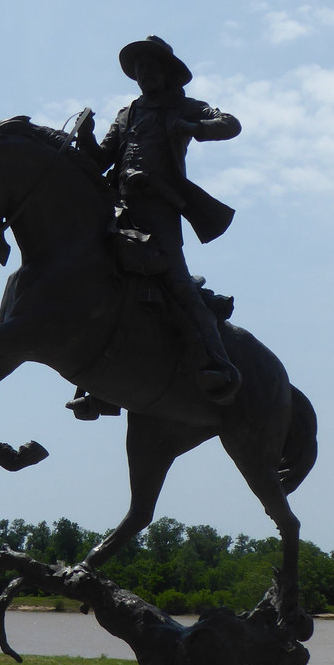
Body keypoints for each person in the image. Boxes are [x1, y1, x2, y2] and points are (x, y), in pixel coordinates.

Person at [76, 35, 242, 404]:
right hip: (119, 208)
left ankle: (219, 363)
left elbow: (230, 124)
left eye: (149, 67)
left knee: (178, 284)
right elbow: (100, 160)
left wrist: (192, 128)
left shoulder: (184, 107)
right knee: (94, 277)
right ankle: (97, 382)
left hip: (159, 208)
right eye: (138, 70)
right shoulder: (128, 113)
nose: (143, 74)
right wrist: (86, 138)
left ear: (166, 71)